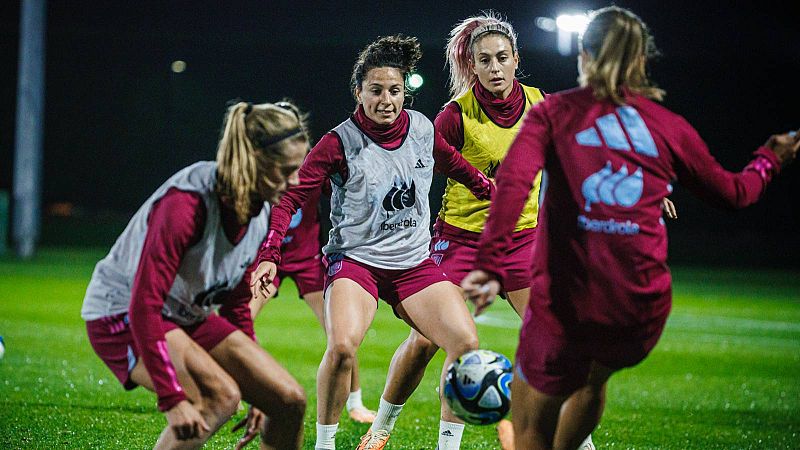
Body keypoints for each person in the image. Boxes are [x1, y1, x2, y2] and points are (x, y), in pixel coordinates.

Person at [462, 6, 799, 450]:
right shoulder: (666, 125)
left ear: (583, 55)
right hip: (639, 311)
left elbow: (512, 185)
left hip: (570, 302)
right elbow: (734, 193)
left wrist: (489, 265)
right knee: (591, 381)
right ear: (641, 61)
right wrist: (769, 158)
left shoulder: (553, 113)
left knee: (528, 427)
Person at [250, 35, 494, 450]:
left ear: (406, 92)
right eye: (376, 90)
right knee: (343, 347)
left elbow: (452, 162)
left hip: (414, 264)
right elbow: (291, 196)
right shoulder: (337, 142)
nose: (386, 99)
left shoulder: (421, 129)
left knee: (465, 343)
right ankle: (325, 446)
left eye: (395, 90)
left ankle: (446, 447)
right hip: (356, 262)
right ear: (358, 91)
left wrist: (491, 189)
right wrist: (270, 252)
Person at [81, 100, 310, 449]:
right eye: (286, 170)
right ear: (255, 161)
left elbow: (235, 307)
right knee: (219, 397)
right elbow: (144, 304)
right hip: (122, 314)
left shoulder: (260, 211)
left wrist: (257, 387)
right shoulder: (185, 206)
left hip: (186, 314)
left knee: (288, 400)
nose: (295, 181)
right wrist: (172, 399)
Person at [248, 173, 377, 425]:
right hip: (268, 259)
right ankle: (242, 392)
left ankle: (355, 403)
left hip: (307, 262)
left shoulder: (312, 172)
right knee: (240, 323)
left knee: (341, 332)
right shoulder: (262, 173)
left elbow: (346, 197)